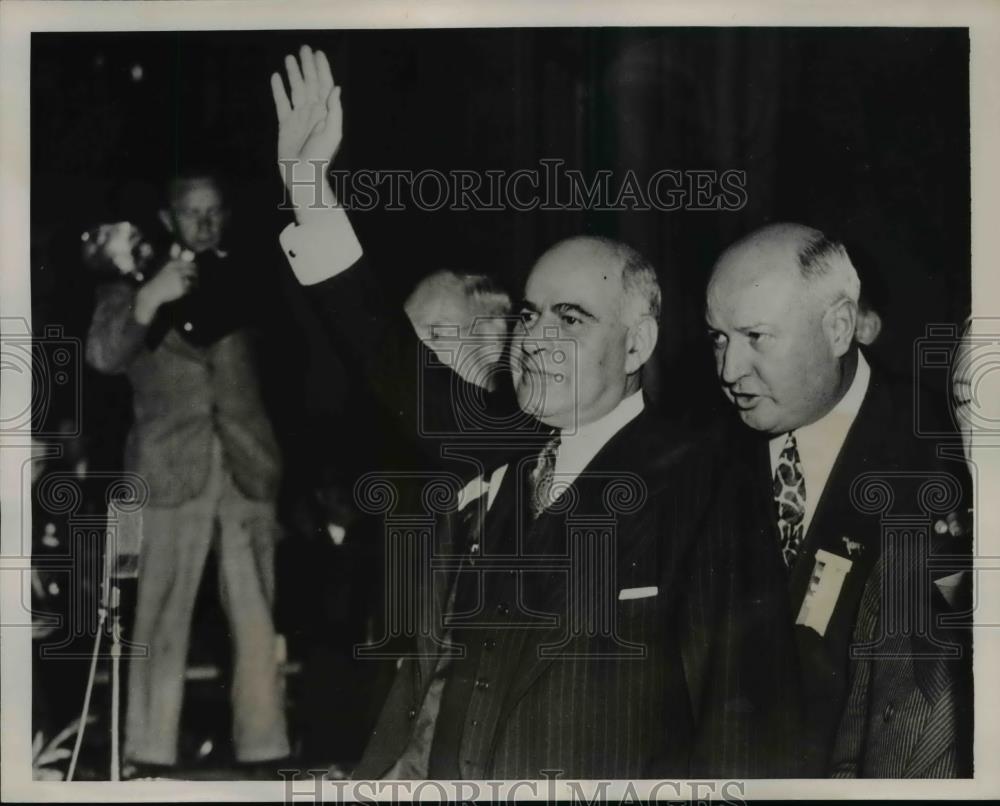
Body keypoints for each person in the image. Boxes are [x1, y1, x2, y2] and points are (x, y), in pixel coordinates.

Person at [269, 45, 729, 779]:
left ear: (637, 342)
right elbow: (387, 354)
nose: (536, 337)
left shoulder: (699, 480)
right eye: (529, 314)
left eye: (571, 318)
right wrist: (308, 187)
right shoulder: (504, 449)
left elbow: (731, 716)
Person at [701, 222, 971, 776]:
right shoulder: (701, 456)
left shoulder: (940, 451)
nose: (729, 370)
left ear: (840, 327)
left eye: (756, 337)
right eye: (718, 338)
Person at [86, 171, 290, 773]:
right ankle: (148, 754)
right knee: (159, 616)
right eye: (191, 212)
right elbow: (102, 356)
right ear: (167, 218)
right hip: (168, 471)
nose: (204, 223)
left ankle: (266, 752)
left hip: (247, 469)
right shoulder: (130, 282)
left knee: (257, 620)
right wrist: (151, 297)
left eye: (214, 211)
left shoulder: (254, 276)